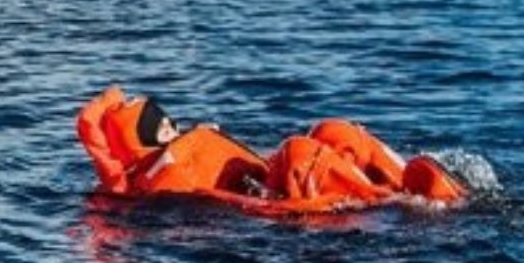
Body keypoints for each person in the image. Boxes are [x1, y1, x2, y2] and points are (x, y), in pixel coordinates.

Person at [76, 86, 465, 212]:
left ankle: (421, 181)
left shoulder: (183, 146)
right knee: (299, 150)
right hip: (280, 196)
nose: (166, 122)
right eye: (152, 122)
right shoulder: (163, 179)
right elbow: (224, 201)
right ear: (138, 138)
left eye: (161, 115)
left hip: (268, 175)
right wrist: (290, 210)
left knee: (331, 130)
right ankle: (399, 201)